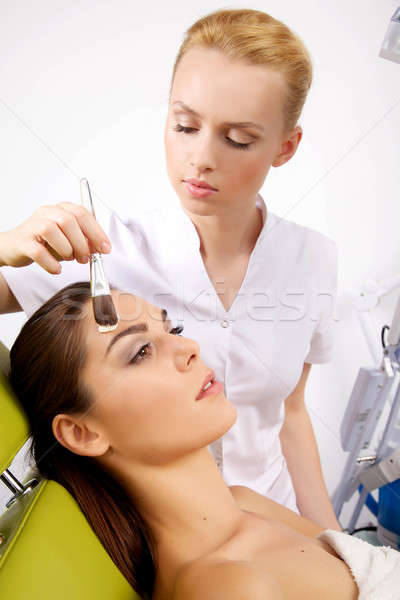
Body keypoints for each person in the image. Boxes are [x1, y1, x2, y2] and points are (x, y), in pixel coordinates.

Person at [0, 8, 340, 528]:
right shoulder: (98, 251)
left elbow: (292, 414)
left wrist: (332, 537)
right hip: (161, 547)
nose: (200, 157)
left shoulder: (313, 260)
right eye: (185, 125)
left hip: (279, 523)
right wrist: (5, 246)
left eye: (238, 139)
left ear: (284, 147)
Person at [8, 282, 362, 600]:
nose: (189, 347)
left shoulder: (247, 503)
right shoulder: (227, 587)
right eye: (141, 352)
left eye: (172, 329)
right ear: (83, 433)